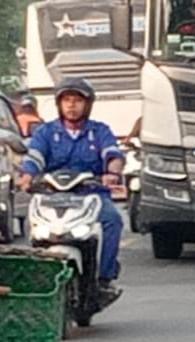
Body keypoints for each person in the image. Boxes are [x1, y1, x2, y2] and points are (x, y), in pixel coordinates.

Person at [16, 78, 125, 304]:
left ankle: (104, 278)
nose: (72, 105)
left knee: (112, 220)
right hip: (51, 197)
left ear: (88, 104)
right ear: (59, 104)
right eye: (67, 100)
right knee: (32, 226)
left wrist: (112, 173)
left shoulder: (99, 131)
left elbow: (113, 155)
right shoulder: (46, 132)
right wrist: (27, 176)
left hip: (90, 196)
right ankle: (37, 279)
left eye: (77, 100)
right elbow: (34, 157)